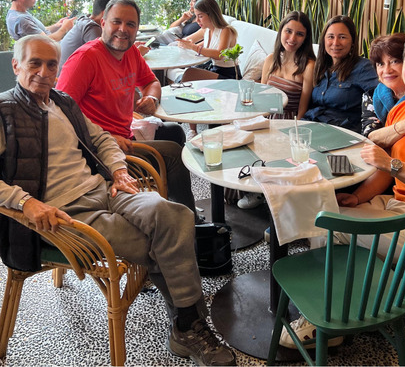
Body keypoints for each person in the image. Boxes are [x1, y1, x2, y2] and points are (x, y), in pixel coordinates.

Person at [0, 34, 236, 365]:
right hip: (65, 214)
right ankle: (188, 324)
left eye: (51, 64)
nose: (43, 72)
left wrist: (119, 170)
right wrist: (26, 202)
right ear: (16, 66)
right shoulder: (5, 112)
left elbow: (101, 139)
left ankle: (187, 323)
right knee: (162, 241)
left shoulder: (62, 103)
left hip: (104, 189)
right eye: (34, 63)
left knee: (176, 216)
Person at [281, 33, 405, 350]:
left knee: (332, 228)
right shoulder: (403, 110)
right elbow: (385, 170)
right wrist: (359, 197)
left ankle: (331, 323)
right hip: (400, 206)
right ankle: (348, 309)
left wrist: (394, 165)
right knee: (323, 213)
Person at [57, 0, 199, 219]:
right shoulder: (85, 59)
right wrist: (107, 137)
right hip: (98, 151)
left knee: (175, 131)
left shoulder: (131, 52)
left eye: (130, 24)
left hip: (126, 134)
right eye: (117, 22)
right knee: (172, 153)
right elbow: (60, 114)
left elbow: (151, 82)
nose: (123, 29)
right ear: (103, 23)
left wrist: (151, 98)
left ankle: (171, 204)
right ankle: (190, 221)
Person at [237, 11, 316, 210]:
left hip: (290, 122)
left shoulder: (308, 66)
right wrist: (254, 124)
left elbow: (303, 109)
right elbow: (262, 98)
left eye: (299, 34)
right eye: (288, 31)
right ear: (281, 32)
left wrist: (287, 133)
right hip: (268, 117)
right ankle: (255, 188)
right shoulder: (271, 60)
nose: (292, 38)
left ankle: (267, 193)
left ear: (306, 38)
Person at [303, 15, 379, 133]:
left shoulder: (363, 68)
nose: (335, 42)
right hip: (311, 125)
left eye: (342, 37)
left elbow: (382, 95)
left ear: (352, 42)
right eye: (331, 37)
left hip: (340, 132)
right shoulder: (321, 67)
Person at [177, 0, 238, 139]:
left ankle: (192, 129)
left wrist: (193, 47)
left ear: (211, 14)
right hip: (215, 71)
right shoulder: (208, 31)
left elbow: (219, 54)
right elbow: (198, 47)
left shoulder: (226, 30)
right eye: (196, 16)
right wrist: (185, 43)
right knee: (189, 79)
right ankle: (192, 129)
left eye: (200, 16)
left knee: (189, 75)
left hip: (229, 75)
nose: (197, 20)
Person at [59, 0, 118, 69]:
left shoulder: (86, 21)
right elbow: (106, 60)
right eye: (117, 14)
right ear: (105, 13)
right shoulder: (92, 28)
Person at [6, 0, 76, 42]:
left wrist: (57, 26)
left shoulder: (17, 13)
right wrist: (64, 28)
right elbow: (47, 41)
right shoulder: (21, 20)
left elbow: (39, 32)